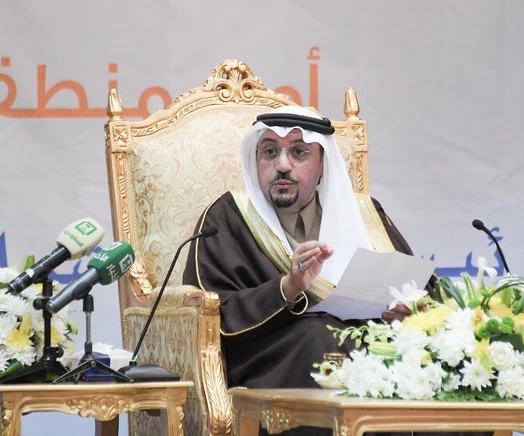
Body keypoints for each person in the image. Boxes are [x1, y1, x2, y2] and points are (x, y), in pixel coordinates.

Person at [182, 105, 424, 435]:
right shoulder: (227, 217)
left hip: (368, 345)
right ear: (256, 161)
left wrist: (409, 311)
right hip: (268, 359)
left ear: (322, 165)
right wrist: (287, 287)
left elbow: (416, 289)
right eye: (269, 152)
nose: (282, 165)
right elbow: (213, 311)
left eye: (298, 152)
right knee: (318, 335)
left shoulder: (364, 216)